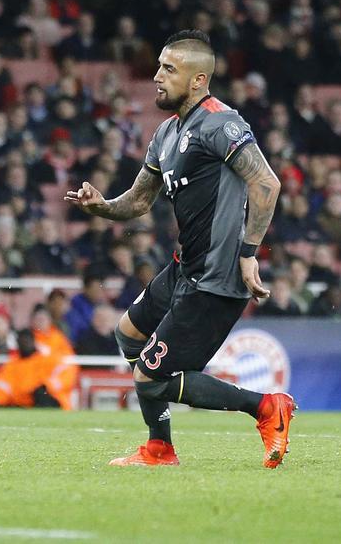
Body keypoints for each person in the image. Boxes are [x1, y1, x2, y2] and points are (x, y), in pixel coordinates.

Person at [65, 30, 293, 468]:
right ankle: (159, 448)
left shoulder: (221, 123)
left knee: (149, 378)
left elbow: (266, 183)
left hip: (216, 278)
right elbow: (140, 201)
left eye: (168, 69)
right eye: (158, 66)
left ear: (198, 79)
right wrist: (101, 206)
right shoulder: (167, 133)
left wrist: (248, 253)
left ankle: (266, 407)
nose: (156, 76)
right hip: (184, 269)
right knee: (127, 334)